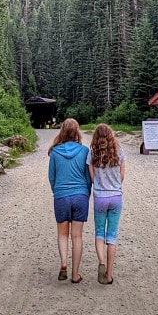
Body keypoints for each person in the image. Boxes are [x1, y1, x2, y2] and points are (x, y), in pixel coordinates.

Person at [47, 118, 91, 283]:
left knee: (62, 234)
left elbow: (52, 177)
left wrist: (57, 191)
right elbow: (88, 178)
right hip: (80, 196)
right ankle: (75, 274)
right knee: (77, 236)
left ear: (62, 131)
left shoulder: (55, 152)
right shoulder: (84, 151)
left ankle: (64, 263)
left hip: (61, 196)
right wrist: (86, 193)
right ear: (77, 131)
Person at [87, 123, 126, 285]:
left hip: (100, 198)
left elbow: (92, 178)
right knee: (112, 237)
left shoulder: (92, 153)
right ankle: (109, 275)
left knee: (99, 233)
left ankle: (101, 262)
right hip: (116, 197)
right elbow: (122, 177)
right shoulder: (119, 151)